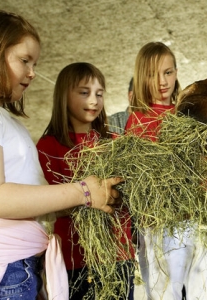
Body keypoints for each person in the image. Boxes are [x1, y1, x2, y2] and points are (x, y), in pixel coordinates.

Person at [0, 10, 121, 300]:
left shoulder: (1, 117)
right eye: (24, 60)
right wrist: (83, 193)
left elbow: (27, 199)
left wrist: (92, 197)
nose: (32, 72)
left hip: (18, 266)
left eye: (34, 63)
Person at [125, 41, 207, 300]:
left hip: (198, 218)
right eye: (152, 74)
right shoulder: (138, 121)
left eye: (168, 72)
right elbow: (141, 178)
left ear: (177, 72)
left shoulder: (189, 115)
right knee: (164, 292)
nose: (162, 82)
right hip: (161, 224)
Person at [36, 62, 135, 300]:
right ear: (64, 96)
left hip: (119, 253)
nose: (94, 100)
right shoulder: (49, 147)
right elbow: (48, 204)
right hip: (77, 258)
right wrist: (87, 199)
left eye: (99, 94)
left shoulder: (112, 142)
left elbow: (128, 190)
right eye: (84, 92)